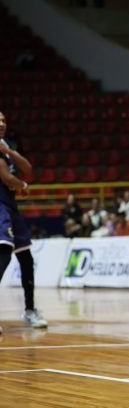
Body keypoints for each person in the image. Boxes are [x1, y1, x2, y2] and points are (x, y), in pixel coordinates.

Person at [0, 111, 48, 332]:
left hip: (10, 208)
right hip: (0, 208)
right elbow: (7, 178)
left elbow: (27, 168)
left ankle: (30, 310)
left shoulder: (5, 147)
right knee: (3, 255)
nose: (2, 124)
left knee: (26, 260)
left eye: (4, 120)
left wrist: (9, 151)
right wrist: (23, 186)